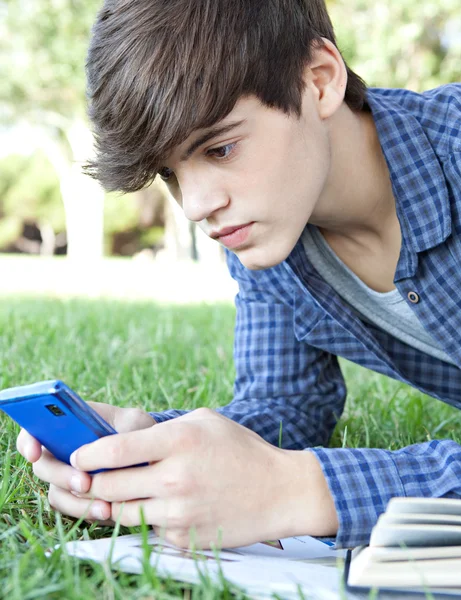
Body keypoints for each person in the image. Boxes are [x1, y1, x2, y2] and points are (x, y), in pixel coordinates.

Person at [17, 0, 461, 550]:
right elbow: (285, 409)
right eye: (171, 174)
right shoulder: (269, 231)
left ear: (319, 81)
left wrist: (299, 490)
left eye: (222, 148)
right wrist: (155, 446)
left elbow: (283, 475)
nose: (196, 205)